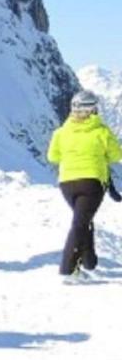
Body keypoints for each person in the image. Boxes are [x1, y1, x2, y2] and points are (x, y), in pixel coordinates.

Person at [47, 90, 122, 282]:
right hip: (91, 183)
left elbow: (53, 157)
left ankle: (89, 261)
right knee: (80, 223)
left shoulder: (61, 132)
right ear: (93, 109)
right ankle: (68, 269)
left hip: (67, 184)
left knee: (83, 220)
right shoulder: (101, 131)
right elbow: (116, 155)